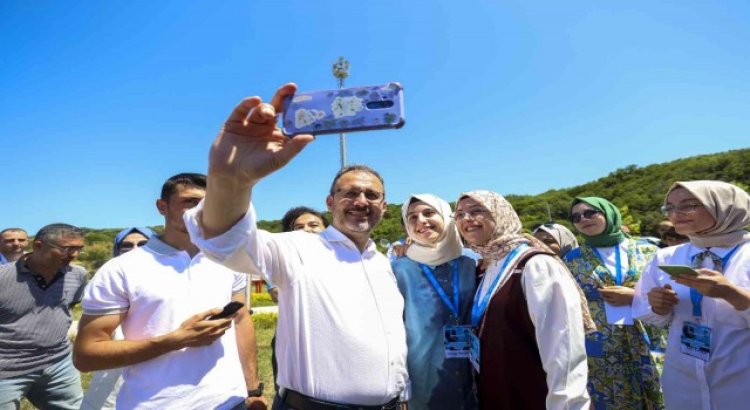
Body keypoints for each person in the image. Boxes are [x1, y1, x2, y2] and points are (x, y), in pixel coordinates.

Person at [182, 84, 408, 409]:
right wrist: (231, 179)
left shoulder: (383, 263)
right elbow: (224, 240)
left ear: (384, 207)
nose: (361, 201)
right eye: (350, 193)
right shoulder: (299, 248)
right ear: (330, 202)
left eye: (371, 195)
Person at [73, 173, 266, 410]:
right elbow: (86, 355)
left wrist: (253, 388)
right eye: (190, 202)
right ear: (162, 206)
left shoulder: (228, 259)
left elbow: (241, 320)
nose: (201, 210)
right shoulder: (121, 269)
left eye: (210, 203)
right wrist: (175, 340)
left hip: (231, 402)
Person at [455, 190, 592, 410]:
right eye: (459, 214)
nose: (466, 219)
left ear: (500, 215)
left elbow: (563, 349)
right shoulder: (484, 267)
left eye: (476, 210)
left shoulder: (535, 265)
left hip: (534, 395)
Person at [633, 180, 750, 410]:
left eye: (688, 205)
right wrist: (657, 306)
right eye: (670, 208)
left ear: (724, 206)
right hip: (683, 379)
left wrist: (732, 294)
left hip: (741, 380)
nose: (676, 214)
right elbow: (647, 313)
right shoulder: (665, 258)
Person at [563, 197, 664, 410]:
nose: (583, 219)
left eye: (590, 213)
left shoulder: (649, 251)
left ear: (609, 213)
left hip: (648, 333)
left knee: (658, 392)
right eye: (576, 217)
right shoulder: (572, 259)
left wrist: (634, 296)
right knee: (609, 398)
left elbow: (669, 293)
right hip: (599, 343)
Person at [391, 194, 477, 410]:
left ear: (447, 217)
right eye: (412, 217)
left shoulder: (472, 262)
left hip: (474, 375)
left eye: (429, 213)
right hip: (423, 381)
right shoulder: (399, 269)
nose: (420, 220)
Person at [0, 223, 87, 410]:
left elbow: (68, 308)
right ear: (38, 246)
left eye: (78, 249)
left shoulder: (78, 275)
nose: (74, 255)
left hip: (59, 363)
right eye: (67, 249)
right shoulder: (3, 277)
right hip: (6, 369)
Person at [79, 227, 154, 410]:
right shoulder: (106, 284)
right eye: (127, 246)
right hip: (112, 384)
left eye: (143, 244)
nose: (135, 249)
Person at [268, 206, 327, 393]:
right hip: (295, 335)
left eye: (314, 225)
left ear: (327, 230)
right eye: (298, 227)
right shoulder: (280, 262)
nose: (307, 230)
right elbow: (275, 292)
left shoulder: (343, 258)